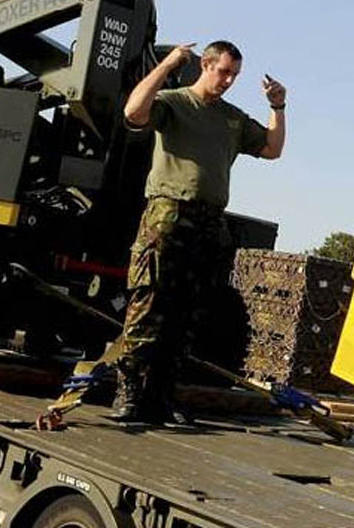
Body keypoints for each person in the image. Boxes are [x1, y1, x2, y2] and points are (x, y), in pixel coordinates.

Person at [113, 40, 286, 423]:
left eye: (234, 75)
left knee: (187, 315)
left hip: (208, 223)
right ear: (205, 65)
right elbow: (134, 111)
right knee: (147, 307)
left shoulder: (232, 119)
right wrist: (167, 64)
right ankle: (128, 395)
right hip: (167, 215)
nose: (227, 80)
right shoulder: (174, 102)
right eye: (223, 71)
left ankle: (161, 398)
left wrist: (278, 107)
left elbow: (272, 149)